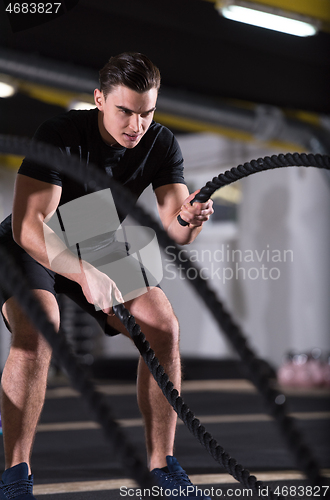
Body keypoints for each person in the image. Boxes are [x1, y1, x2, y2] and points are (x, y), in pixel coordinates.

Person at [0, 52, 214, 500]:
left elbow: (175, 229)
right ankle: (15, 474)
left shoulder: (160, 144)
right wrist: (83, 275)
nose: (137, 125)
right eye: (125, 112)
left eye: (147, 112)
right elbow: (27, 226)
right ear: (99, 100)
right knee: (41, 325)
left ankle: (162, 466)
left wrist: (190, 219)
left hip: (92, 236)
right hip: (30, 242)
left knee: (162, 325)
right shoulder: (58, 134)